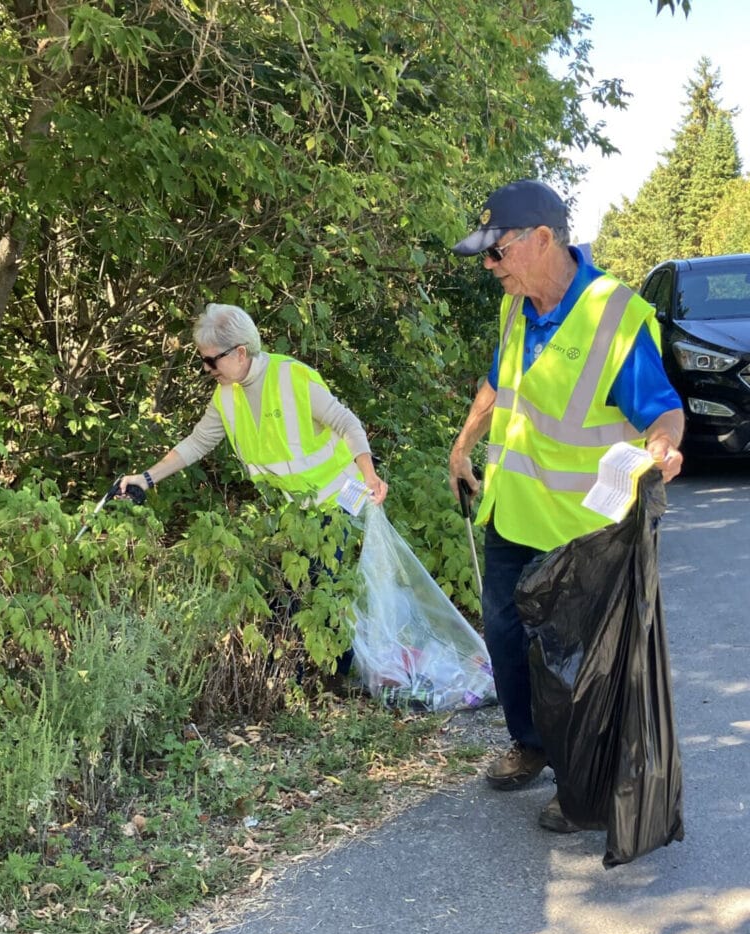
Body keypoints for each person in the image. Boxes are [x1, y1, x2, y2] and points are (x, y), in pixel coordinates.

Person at [448, 179, 684, 834]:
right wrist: (464, 441)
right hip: (513, 515)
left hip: (581, 530)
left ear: (544, 239)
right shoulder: (517, 307)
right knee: (505, 635)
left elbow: (661, 408)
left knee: (571, 659)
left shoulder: (612, 314)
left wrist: (664, 444)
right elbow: (499, 381)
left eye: (498, 252)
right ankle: (531, 744)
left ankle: (580, 778)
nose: (490, 267)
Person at [119, 303, 388, 508]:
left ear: (240, 352)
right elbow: (197, 443)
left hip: (344, 501)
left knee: (337, 581)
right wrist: (146, 478)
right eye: (203, 360)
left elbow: (347, 423)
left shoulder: (291, 377)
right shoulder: (225, 394)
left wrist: (369, 475)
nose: (206, 368)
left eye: (212, 360)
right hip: (296, 513)